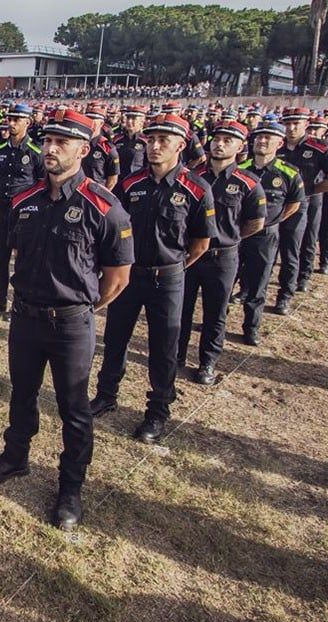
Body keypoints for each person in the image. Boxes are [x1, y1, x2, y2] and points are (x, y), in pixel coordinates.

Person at [0, 109, 133, 531]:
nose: (50, 148)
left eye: (62, 142)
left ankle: (70, 486)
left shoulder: (104, 206)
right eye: (47, 140)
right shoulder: (24, 200)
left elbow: (117, 278)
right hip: (26, 318)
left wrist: (80, 308)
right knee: (21, 392)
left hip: (71, 324)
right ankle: (15, 457)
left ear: (84, 149)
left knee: (74, 408)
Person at [92, 114, 213, 443]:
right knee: (115, 337)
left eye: (164, 141)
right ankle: (106, 394)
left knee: (164, 347)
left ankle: (157, 411)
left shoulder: (196, 189)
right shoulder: (132, 185)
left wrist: (174, 267)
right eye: (151, 140)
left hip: (169, 277)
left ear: (180, 146)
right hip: (131, 275)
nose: (155, 146)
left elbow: (200, 244)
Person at [180, 121, 266, 384]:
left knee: (215, 312)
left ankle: (207, 362)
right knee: (181, 309)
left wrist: (230, 237)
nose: (219, 144)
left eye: (228, 140)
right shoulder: (193, 176)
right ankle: (176, 356)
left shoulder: (247, 182)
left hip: (222, 256)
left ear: (241, 147)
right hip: (191, 254)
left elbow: (256, 222)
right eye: (217, 138)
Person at [236, 122, 305, 346]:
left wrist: (273, 222)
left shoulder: (288, 172)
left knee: (258, 283)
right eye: (259, 137)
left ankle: (251, 328)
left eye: (268, 138)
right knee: (226, 282)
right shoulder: (241, 168)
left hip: (265, 236)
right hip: (237, 234)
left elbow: (294, 203)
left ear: (279, 143)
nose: (262, 141)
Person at [277, 107, 328, 311]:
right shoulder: (276, 145)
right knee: (265, 248)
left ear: (306, 124)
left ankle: (288, 292)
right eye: (287, 123)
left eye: (296, 123)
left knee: (296, 247)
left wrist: (309, 190)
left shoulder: (319, 147)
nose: (291, 128)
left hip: (306, 201)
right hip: (275, 201)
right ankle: (248, 289)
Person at [0, 103, 43, 315]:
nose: (12, 123)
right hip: (1, 210)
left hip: (24, 213)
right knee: (0, 256)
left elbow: (41, 183)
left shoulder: (36, 152)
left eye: (17, 119)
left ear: (28, 122)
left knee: (23, 260)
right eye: (10, 118)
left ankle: (19, 303)